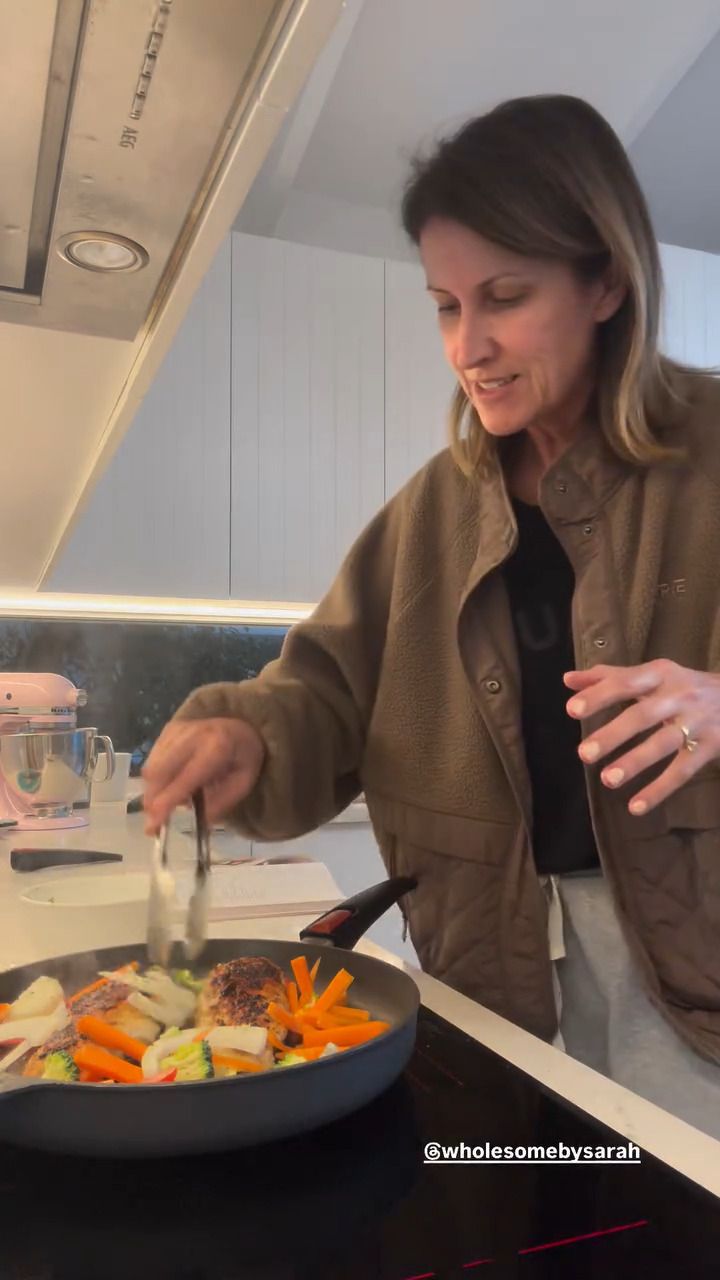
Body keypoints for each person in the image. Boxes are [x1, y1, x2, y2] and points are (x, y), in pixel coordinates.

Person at [143, 95, 720, 1138]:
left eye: (505, 297)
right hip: (489, 973)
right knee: (526, 1205)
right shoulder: (431, 513)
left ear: (607, 283)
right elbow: (321, 696)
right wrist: (246, 735)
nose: (469, 346)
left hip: (695, 989)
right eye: (447, 306)